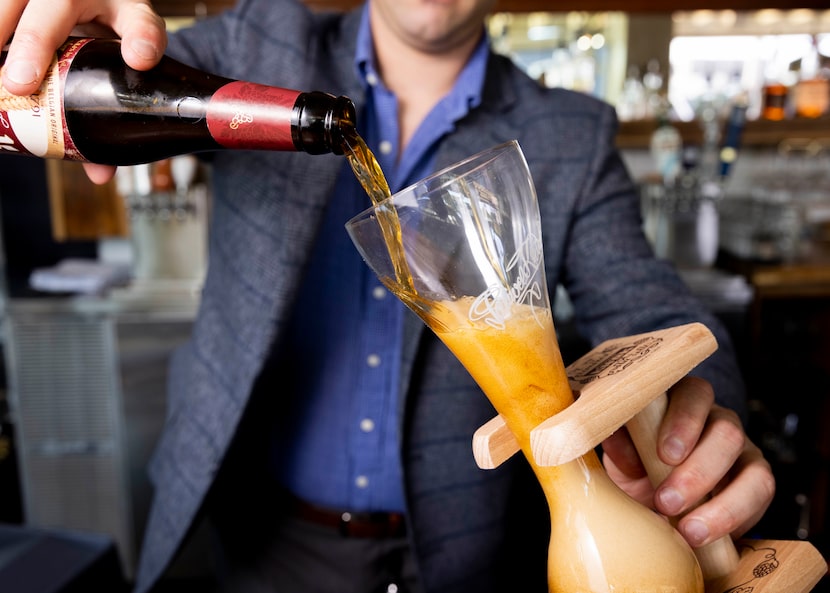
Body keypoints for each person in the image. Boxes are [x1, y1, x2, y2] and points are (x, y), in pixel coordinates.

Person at [2, 1, 775, 592]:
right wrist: (48, 40)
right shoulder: (255, 48)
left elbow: (652, 314)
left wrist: (692, 424)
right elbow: (88, 69)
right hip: (259, 540)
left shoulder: (567, 133)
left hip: (468, 555)